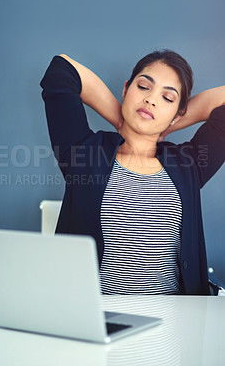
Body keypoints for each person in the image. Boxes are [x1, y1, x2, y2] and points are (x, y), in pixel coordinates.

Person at [40, 50, 225, 295]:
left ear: (178, 112)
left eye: (168, 98)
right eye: (143, 87)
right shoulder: (83, 153)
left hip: (174, 322)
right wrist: (119, 118)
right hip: (94, 321)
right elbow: (61, 70)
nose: (151, 100)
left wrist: (171, 122)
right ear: (126, 89)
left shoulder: (189, 164)